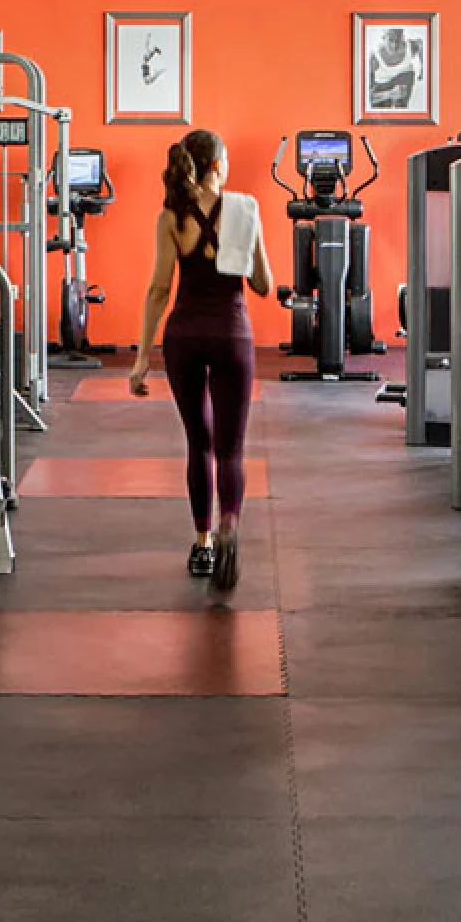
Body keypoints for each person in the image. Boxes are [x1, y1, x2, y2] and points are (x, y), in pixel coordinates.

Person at [130, 129, 274, 593]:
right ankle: (231, 522)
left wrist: (140, 359)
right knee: (232, 447)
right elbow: (264, 285)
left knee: (201, 443)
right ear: (217, 167)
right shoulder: (245, 210)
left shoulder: (170, 216)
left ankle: (204, 541)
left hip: (183, 338)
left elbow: (157, 289)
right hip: (233, 335)